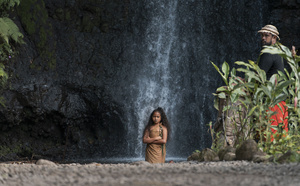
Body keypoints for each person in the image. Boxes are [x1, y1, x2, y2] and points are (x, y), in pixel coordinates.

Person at [257, 24, 288, 140]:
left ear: (274, 38)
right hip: (280, 100)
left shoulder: (268, 52)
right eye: (262, 35)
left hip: (272, 101)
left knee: (269, 134)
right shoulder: (278, 52)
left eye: (267, 35)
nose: (263, 38)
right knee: (280, 136)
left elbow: (259, 75)